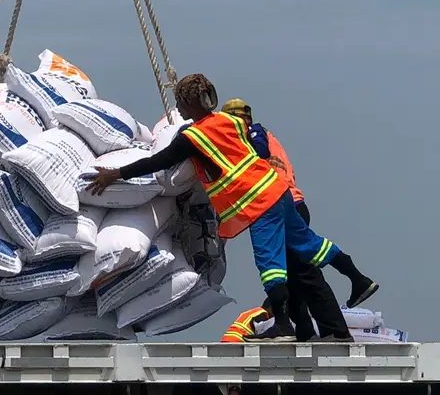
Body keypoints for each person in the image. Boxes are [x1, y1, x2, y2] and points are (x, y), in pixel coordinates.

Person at [84, 73, 379, 341]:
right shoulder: (234, 122)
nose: (180, 111)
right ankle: (359, 279)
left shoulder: (193, 138)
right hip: (279, 192)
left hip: (257, 202)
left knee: (270, 264)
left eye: (180, 104)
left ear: (188, 104)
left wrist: (116, 174)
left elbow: (157, 162)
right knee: (311, 245)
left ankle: (284, 326)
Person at [220, 98, 353, 341]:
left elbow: (258, 154)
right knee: (290, 275)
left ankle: (336, 332)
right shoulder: (261, 134)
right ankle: (302, 329)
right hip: (286, 206)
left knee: (304, 274)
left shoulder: (253, 134)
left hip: (283, 207)